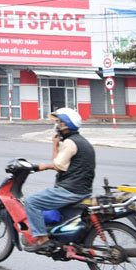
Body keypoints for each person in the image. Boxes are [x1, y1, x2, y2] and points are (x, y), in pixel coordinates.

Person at [23, 107, 95, 253]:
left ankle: (43, 240)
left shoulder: (70, 142)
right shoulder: (84, 142)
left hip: (70, 190)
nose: (56, 126)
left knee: (31, 202)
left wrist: (53, 149)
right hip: (84, 191)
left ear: (65, 125)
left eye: (58, 122)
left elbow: (59, 165)